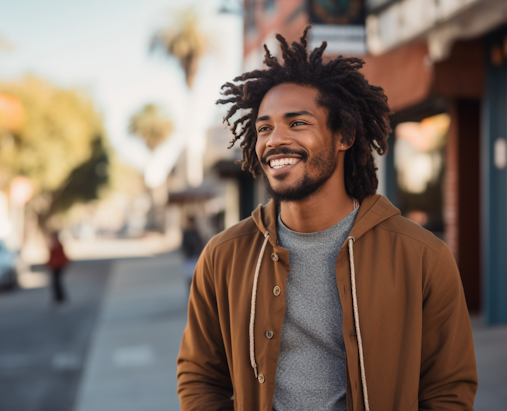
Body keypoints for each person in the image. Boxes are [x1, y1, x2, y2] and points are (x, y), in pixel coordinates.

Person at [177, 26, 477, 410]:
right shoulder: (223, 256)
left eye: (297, 123)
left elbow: (449, 389)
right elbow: (199, 376)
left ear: (344, 135)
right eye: (264, 128)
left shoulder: (422, 256)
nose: (275, 140)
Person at [181, 216, 204, 292]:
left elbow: (200, 244)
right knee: (189, 277)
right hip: (189, 258)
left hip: (196, 257)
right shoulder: (186, 234)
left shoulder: (196, 233)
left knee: (197, 276)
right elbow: (183, 246)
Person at [47, 231, 69, 306]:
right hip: (54, 266)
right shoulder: (53, 244)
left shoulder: (58, 244)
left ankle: (61, 298)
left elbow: (60, 256)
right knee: (55, 283)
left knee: (57, 282)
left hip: (58, 265)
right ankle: (57, 298)